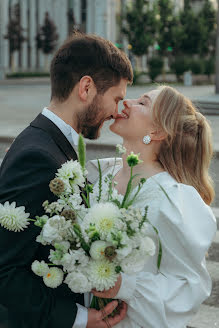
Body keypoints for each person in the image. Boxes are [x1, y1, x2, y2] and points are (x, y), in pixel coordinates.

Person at [0, 33, 133, 328]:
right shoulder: (37, 156)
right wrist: (78, 318)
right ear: (86, 88)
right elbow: (5, 270)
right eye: (116, 98)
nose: (115, 113)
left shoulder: (49, 143)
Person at [89, 85, 217, 328]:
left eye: (142, 103)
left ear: (157, 131)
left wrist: (123, 285)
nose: (127, 102)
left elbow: (188, 286)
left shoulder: (172, 199)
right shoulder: (102, 173)